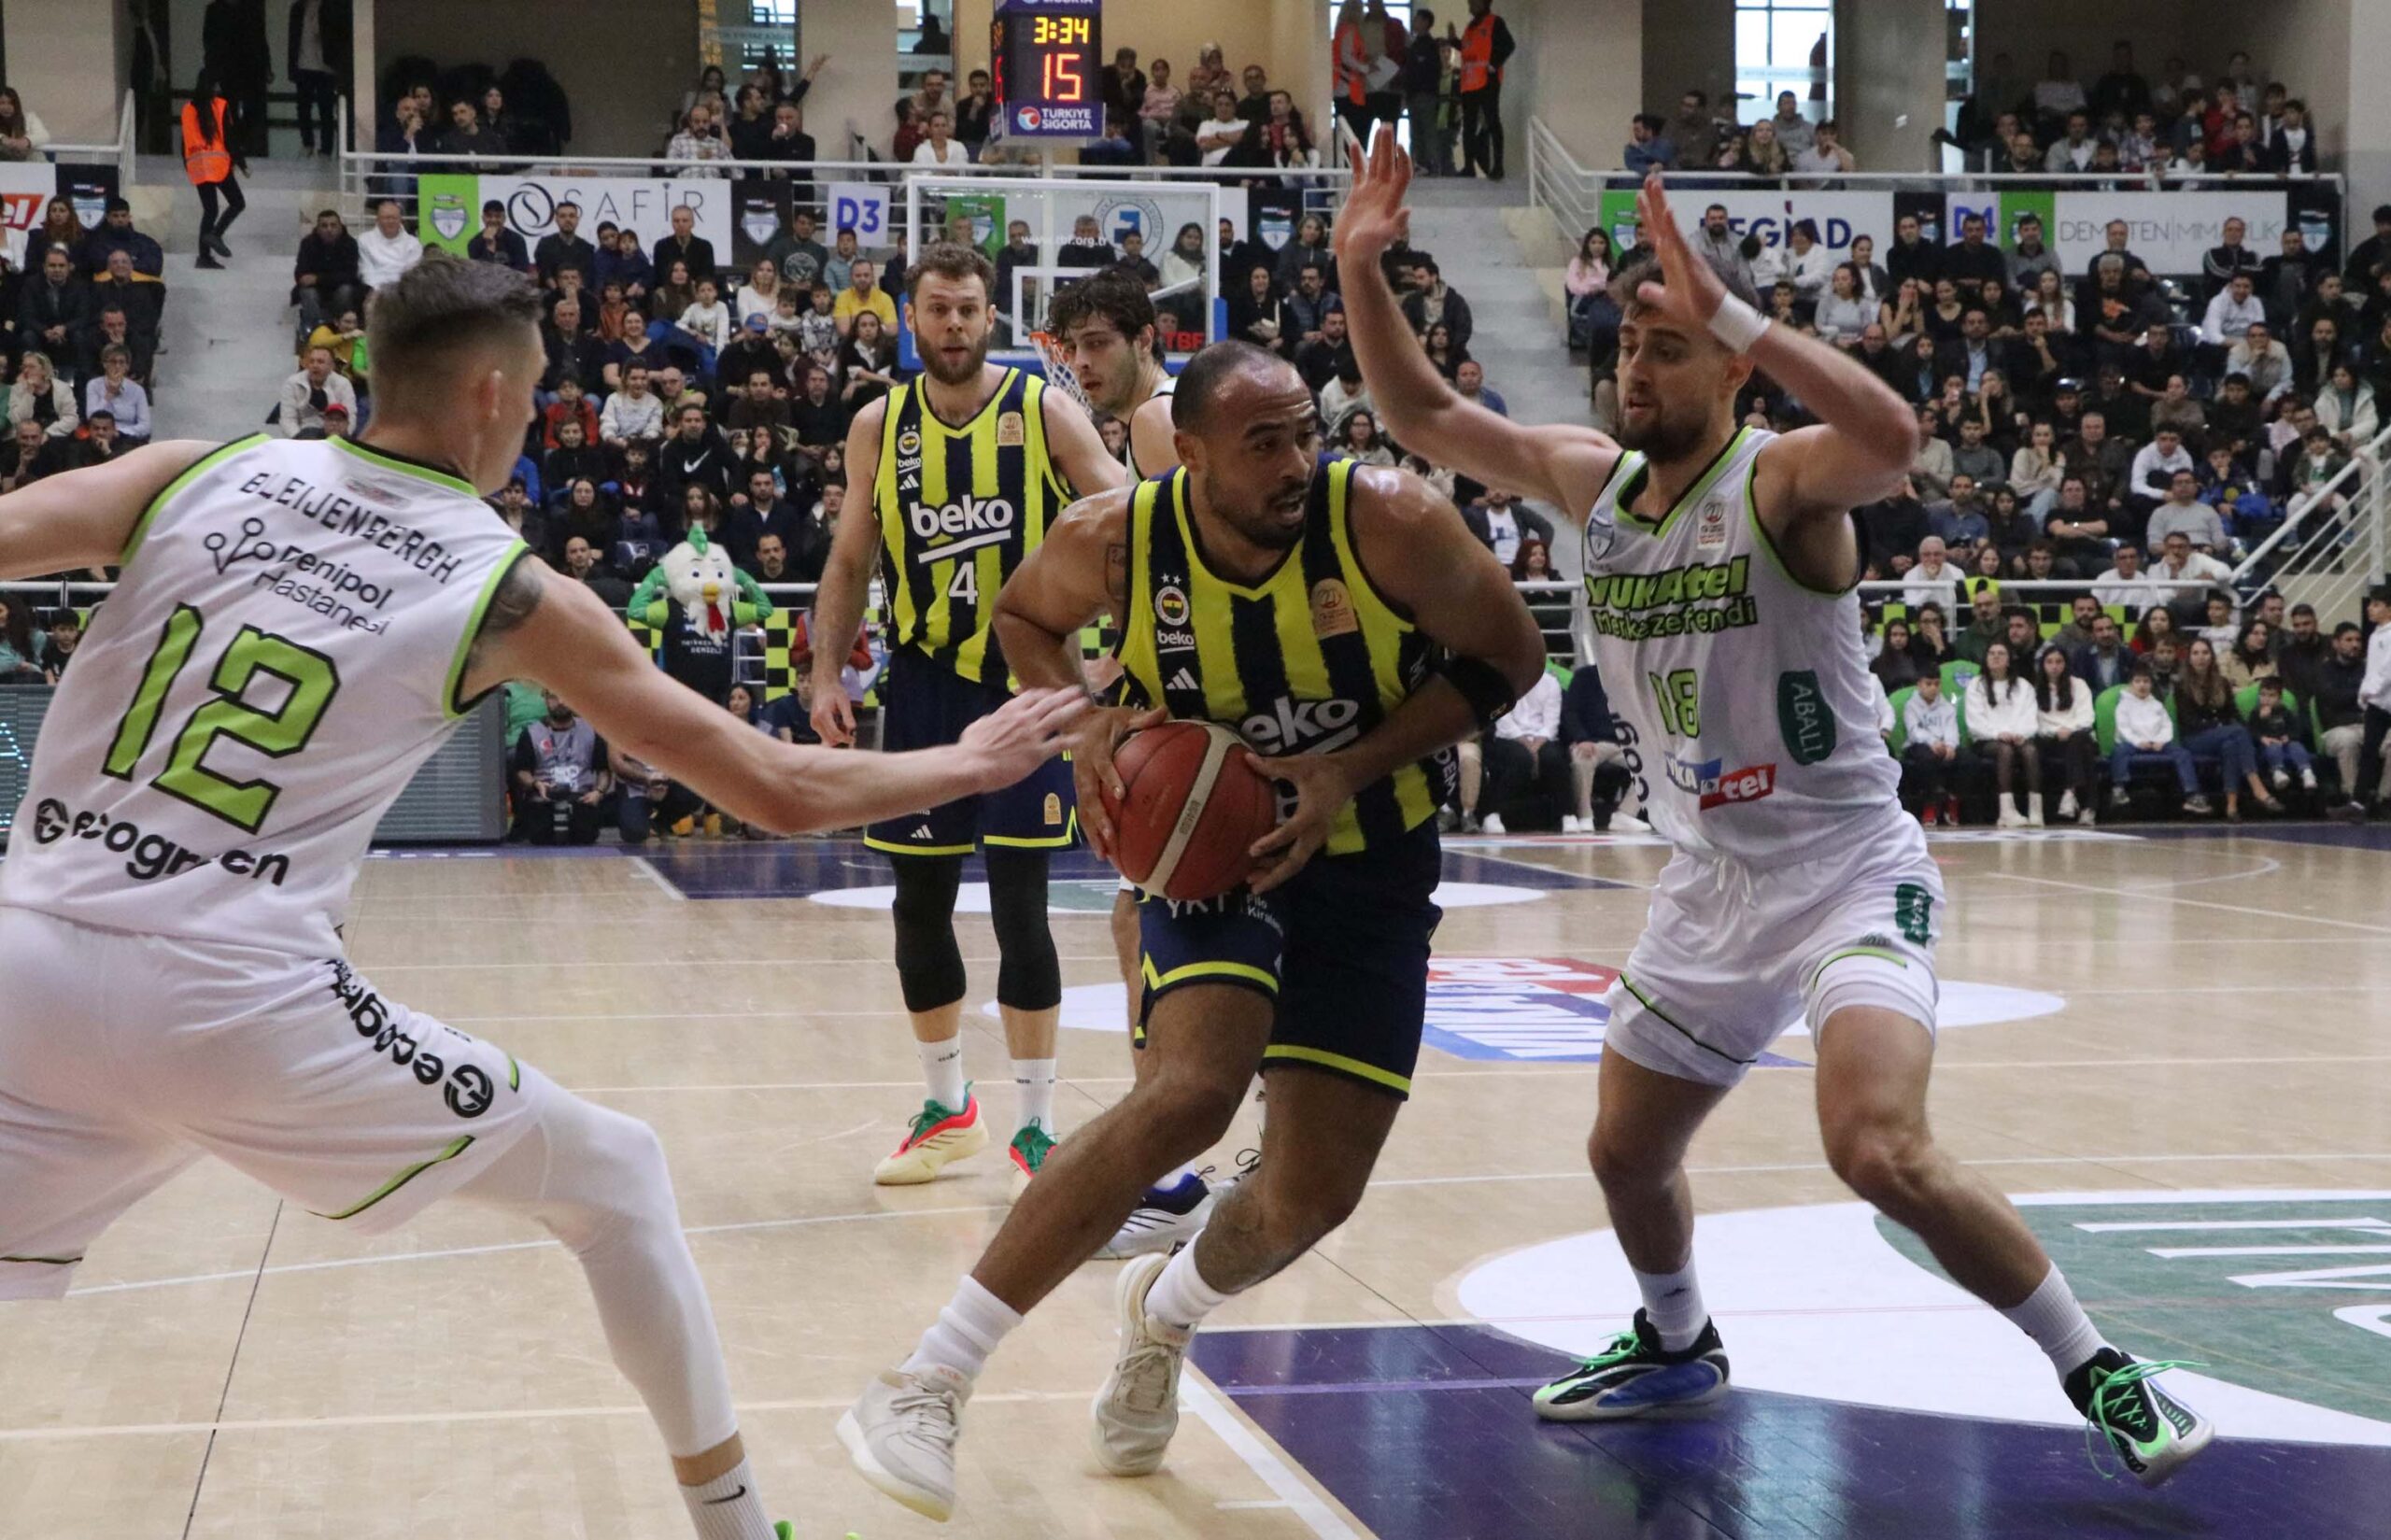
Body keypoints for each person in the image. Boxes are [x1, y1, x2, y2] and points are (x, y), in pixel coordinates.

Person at [0, 251, 1088, 1540]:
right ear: (486, 395)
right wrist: (969, 760)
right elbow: (778, 786)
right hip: (234, 998)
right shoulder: (503, 584)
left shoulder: (200, 469)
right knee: (616, 1176)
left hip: (27, 969)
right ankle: (739, 1529)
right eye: (529, 395)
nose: (529, 418)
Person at [1334, 135, 2214, 1479]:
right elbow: (1424, 417)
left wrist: (1738, 311)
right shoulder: (1590, 480)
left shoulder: (1783, 481)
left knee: (1877, 1147)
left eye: (1669, 347)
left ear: (1732, 368)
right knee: (1626, 1152)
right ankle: (1677, 1339)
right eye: (1628, 347)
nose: (1635, 369)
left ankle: (2100, 1366)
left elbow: (1896, 440)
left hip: (1846, 867)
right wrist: (1360, 265)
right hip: (1708, 881)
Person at [841, 336, 1543, 1522]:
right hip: (1209, 854)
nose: (1295, 461)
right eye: (1263, 443)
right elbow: (1022, 618)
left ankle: (1162, 1314)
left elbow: (1509, 653)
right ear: (1194, 453)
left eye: (1304, 434)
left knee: (1311, 1195)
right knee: (1190, 1094)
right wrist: (1089, 720)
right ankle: (927, 1378)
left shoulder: (1387, 518)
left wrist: (1349, 766)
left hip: (1371, 855)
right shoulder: (1118, 536)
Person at [807, 244, 1127, 1196]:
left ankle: (1036, 1126)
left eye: (968, 309)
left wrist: (1121, 653)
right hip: (921, 688)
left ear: (992, 316)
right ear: (909, 318)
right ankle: (948, 1110)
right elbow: (850, 557)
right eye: (937, 309)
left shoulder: (1043, 409)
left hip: (1024, 686)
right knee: (918, 904)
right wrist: (825, 671)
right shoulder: (879, 423)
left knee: (1022, 905)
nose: (953, 324)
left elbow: (1132, 518)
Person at [2328, 588, 2391, 822]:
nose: (2370, 609)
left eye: (2376, 605)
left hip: (2384, 697)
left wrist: (2372, 690)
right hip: (2378, 703)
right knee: (2368, 752)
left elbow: (2388, 669)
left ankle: (2381, 799)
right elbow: (2372, 669)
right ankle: (2357, 803)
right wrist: (2364, 693)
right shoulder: (2375, 636)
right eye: (2370, 604)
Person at [182, 70, 246, 270]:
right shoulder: (220, 105)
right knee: (237, 203)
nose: (219, 88)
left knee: (210, 210)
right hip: (217, 163)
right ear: (213, 85)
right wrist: (240, 161)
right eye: (217, 84)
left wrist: (187, 164)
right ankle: (216, 234)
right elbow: (229, 136)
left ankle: (204, 257)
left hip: (197, 164)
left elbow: (185, 139)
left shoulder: (187, 109)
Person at [2032, 643, 2098, 824]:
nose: (2054, 666)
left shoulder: (2079, 685)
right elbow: (2035, 722)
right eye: (2049, 662)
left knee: (2080, 743)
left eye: (2059, 662)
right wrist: (2056, 732)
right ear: (2043, 665)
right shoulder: (2035, 689)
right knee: (2082, 750)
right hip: (2049, 740)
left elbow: (2087, 717)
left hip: (2077, 735)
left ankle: (2070, 793)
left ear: (2066, 664)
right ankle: (2087, 806)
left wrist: (2070, 730)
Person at [1456, 0, 1514, 179]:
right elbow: (1468, 49)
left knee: (1492, 121)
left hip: (1487, 81)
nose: (1470, 5)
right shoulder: (1470, 27)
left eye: (1474, 2)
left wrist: (1494, 64)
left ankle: (1498, 166)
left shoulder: (1494, 22)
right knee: (1468, 125)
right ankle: (1468, 167)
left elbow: (1509, 45)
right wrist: (1453, 41)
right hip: (1469, 83)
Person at [1900, 671, 1964, 826]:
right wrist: (1933, 742)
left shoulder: (1947, 706)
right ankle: (1930, 804)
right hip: (1919, 745)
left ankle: (1953, 800)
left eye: (1936, 684)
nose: (1933, 688)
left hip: (1944, 745)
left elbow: (1952, 729)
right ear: (1919, 685)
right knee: (1927, 759)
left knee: (1969, 760)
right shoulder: (1911, 706)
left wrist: (1950, 745)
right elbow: (1914, 731)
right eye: (1928, 684)